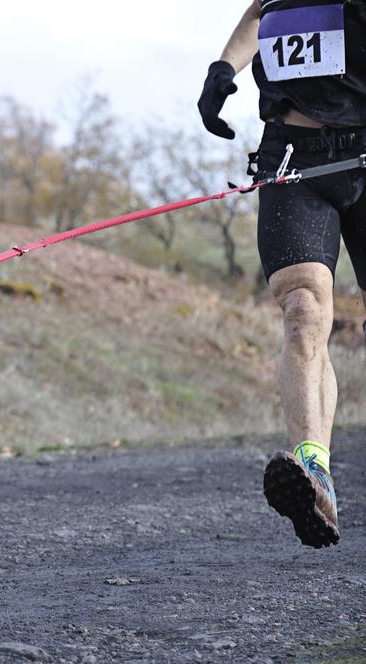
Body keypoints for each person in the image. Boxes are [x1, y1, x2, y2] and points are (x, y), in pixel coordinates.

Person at [198, 0, 366, 548]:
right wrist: (223, 67)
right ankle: (315, 474)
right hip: (292, 156)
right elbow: (260, 10)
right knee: (302, 307)